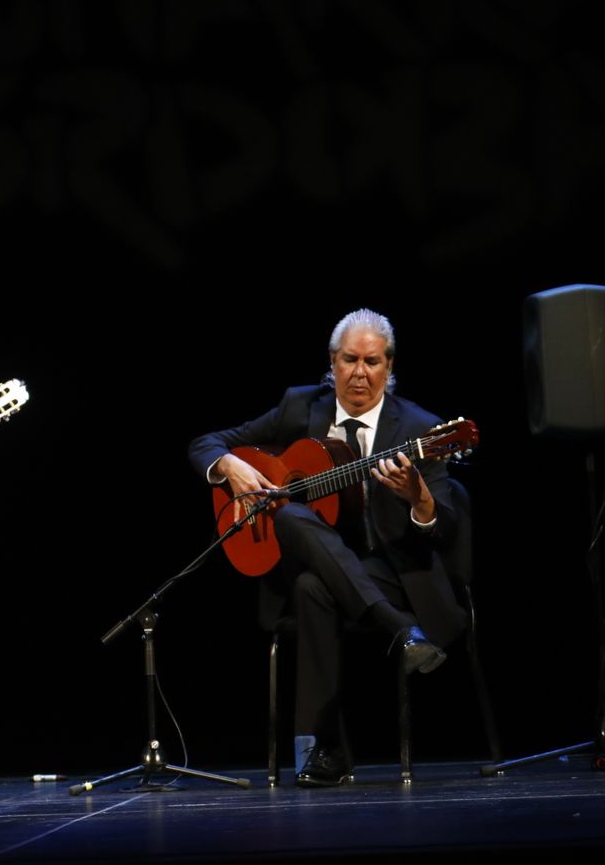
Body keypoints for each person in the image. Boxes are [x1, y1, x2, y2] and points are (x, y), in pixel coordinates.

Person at [187, 309, 466, 787]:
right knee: (294, 522)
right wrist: (229, 465)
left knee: (314, 585)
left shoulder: (423, 429)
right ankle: (399, 635)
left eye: (373, 362)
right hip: (325, 565)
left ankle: (323, 749)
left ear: (390, 366)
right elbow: (205, 443)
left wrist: (418, 498)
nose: (361, 373)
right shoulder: (300, 408)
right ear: (332, 363)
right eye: (350, 360)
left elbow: (445, 530)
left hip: (393, 572)